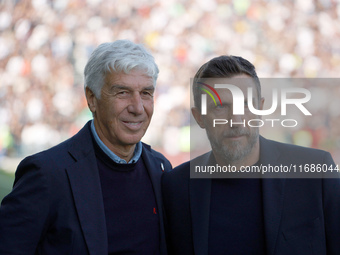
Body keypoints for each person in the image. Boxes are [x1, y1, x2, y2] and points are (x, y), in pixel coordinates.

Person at [0, 40, 172, 255]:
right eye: (122, 93)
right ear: (92, 99)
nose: (137, 107)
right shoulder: (47, 174)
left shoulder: (161, 169)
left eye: (146, 93)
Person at [162, 55, 340, 255]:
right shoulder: (176, 187)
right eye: (220, 106)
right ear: (199, 117)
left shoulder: (316, 172)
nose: (236, 120)